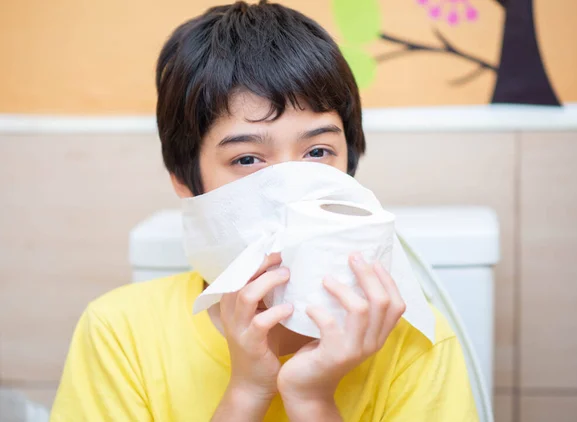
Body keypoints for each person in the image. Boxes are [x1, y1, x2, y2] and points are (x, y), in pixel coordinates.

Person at [51, 1, 477, 421]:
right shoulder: (120, 332)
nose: (290, 188)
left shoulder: (413, 340)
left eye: (317, 151)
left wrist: (311, 399)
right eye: (248, 160)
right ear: (184, 180)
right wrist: (247, 392)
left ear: (349, 165)